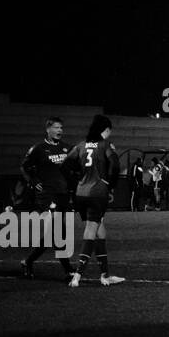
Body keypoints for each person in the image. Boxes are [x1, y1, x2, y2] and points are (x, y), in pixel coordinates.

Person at [62, 114, 125, 286]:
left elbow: (66, 165)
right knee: (91, 230)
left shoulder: (80, 146)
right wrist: (110, 185)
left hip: (80, 194)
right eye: (108, 131)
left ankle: (105, 275)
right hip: (97, 193)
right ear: (105, 130)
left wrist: (77, 180)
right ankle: (77, 275)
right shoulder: (105, 145)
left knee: (100, 231)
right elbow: (115, 165)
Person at [19, 117, 76, 281]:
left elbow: (76, 166)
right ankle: (68, 270)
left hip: (63, 194)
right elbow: (24, 167)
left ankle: (28, 261)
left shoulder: (67, 148)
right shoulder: (38, 148)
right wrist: (33, 181)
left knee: (54, 233)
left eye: (61, 128)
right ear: (48, 129)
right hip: (47, 195)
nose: (60, 131)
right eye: (57, 127)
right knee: (59, 229)